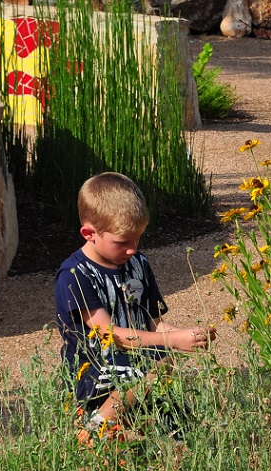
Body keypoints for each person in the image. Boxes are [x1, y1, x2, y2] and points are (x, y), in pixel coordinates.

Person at [54, 171, 216, 442]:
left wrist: (189, 336)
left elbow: (154, 323)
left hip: (136, 364)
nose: (132, 249)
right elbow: (111, 335)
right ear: (89, 234)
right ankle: (92, 430)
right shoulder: (75, 275)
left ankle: (157, 438)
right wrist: (173, 340)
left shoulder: (138, 264)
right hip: (92, 370)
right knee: (151, 364)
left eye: (137, 239)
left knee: (184, 430)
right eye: (122, 242)